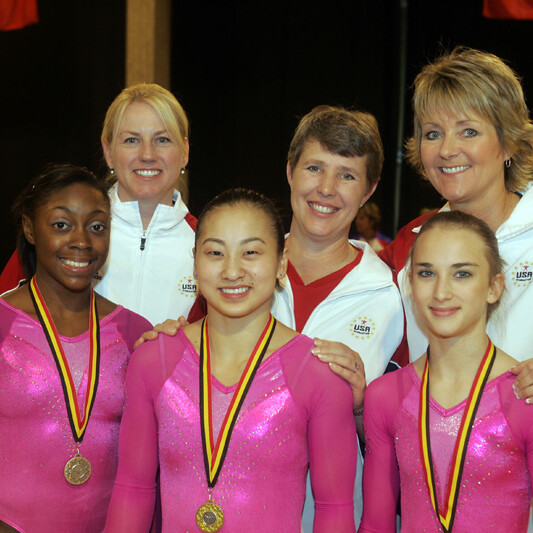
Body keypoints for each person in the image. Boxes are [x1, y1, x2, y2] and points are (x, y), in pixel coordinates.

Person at [139, 105, 405, 528]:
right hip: (227, 510)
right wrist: (167, 339)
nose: (326, 188)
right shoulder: (234, 274)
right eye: (314, 168)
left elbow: (408, 436)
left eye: (347, 175)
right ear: (289, 171)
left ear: (369, 189)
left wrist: (359, 408)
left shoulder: (393, 294)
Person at [104, 188, 358, 532]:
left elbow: (334, 510)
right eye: (215, 253)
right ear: (195, 263)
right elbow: (132, 489)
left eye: (250, 252)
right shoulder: (153, 360)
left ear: (281, 263)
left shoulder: (320, 374)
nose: (232, 270)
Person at [0, 164, 151, 532]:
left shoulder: (135, 332)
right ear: (30, 228)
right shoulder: (4, 323)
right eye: (61, 225)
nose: (82, 240)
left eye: (97, 227)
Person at [360, 211, 533, 532]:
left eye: (462, 274)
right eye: (427, 273)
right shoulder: (384, 396)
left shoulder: (524, 395)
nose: (441, 292)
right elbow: (375, 525)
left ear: (494, 287)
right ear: (411, 284)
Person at [380, 48, 533, 401]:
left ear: (509, 142)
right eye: (433, 134)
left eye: (468, 131)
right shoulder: (409, 243)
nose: (447, 150)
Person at [0, 83, 197, 325]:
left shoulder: (208, 245)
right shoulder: (61, 233)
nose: (147, 155)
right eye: (132, 140)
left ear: (185, 151)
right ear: (109, 151)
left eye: (162, 139)